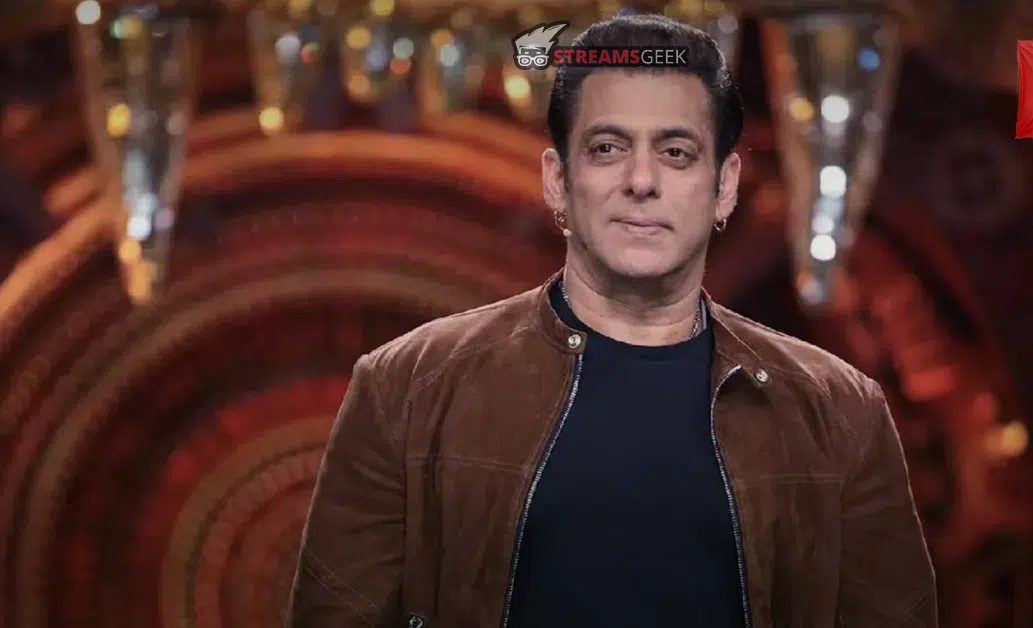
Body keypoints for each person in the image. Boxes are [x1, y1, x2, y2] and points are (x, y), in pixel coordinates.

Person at [286, 13, 936, 628]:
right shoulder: (404, 389)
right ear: (557, 181)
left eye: (676, 152)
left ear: (725, 186)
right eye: (607, 148)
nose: (641, 180)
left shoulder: (841, 412)